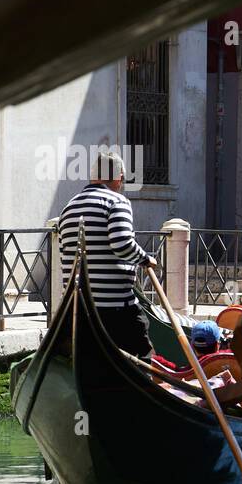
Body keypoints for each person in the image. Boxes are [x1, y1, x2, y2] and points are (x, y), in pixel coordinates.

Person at [57, 152, 158, 358]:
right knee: (144, 359)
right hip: (114, 309)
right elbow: (122, 244)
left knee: (90, 360)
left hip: (76, 308)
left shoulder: (69, 207)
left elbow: (64, 254)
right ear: (119, 178)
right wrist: (146, 259)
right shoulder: (116, 202)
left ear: (93, 177)